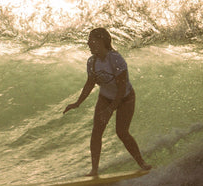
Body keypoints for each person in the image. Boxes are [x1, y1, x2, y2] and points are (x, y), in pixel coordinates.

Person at [63, 28, 152, 176]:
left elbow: (122, 88)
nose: (88, 43)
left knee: (122, 132)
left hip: (125, 98)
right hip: (105, 97)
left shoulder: (115, 59)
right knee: (96, 132)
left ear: (101, 41)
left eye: (91, 40)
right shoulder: (92, 62)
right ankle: (94, 170)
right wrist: (77, 103)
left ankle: (142, 163)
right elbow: (90, 83)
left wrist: (110, 109)